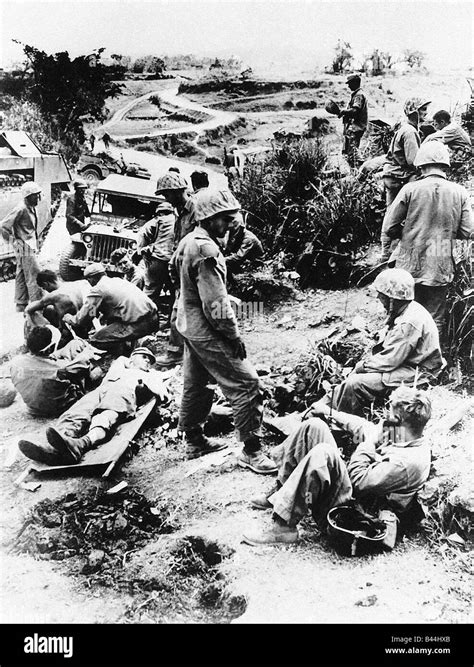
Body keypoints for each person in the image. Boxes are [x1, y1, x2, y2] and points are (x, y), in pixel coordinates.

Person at [170, 187, 277, 473]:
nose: (231, 224)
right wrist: (233, 336)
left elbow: (175, 273)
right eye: (225, 218)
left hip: (187, 322)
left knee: (196, 381)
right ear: (208, 218)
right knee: (247, 382)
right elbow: (215, 305)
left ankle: (194, 439)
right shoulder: (207, 250)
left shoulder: (188, 241)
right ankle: (252, 450)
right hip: (207, 327)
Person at [242, 386, 432, 545]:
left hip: (355, 514)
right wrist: (331, 413)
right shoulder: (404, 433)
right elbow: (363, 428)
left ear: (398, 420)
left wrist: (368, 444)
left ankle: (283, 527)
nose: (386, 417)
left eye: (390, 413)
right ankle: (281, 494)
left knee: (324, 453)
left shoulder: (408, 463)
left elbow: (357, 482)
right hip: (353, 494)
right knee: (314, 426)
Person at [381, 142, 474, 336]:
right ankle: (431, 361)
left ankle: (404, 357)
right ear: (445, 166)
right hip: (439, 264)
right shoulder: (460, 192)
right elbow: (467, 232)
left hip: (409, 264)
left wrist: (409, 234)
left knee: (405, 314)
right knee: (435, 318)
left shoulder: (410, 189)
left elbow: (389, 227)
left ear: (421, 166)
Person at [18, 347, 168, 466]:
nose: (148, 361)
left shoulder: (151, 374)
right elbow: (121, 360)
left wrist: (150, 385)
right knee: (75, 413)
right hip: (102, 390)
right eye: (144, 356)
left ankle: (81, 445)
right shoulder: (120, 364)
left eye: (150, 360)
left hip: (123, 391)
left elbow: (162, 393)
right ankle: (57, 447)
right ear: (132, 357)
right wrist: (129, 362)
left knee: (104, 416)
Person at [328, 268, 443, 416]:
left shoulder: (408, 322)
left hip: (419, 372)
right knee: (344, 385)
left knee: (354, 383)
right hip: (407, 364)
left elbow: (390, 360)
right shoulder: (406, 310)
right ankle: (316, 409)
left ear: (392, 299)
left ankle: (339, 421)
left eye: (382, 296)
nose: (379, 300)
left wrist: (362, 366)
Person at [153, 171, 197, 368]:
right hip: (182, 270)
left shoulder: (196, 209)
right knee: (183, 311)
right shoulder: (179, 213)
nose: (166, 199)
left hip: (194, 270)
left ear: (178, 191)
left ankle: (175, 353)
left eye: (167, 195)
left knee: (178, 312)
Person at [63, 263, 159, 351]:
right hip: (153, 318)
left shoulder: (98, 289)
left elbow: (85, 317)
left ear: (90, 279)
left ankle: (137, 342)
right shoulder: (117, 281)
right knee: (111, 324)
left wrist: (71, 319)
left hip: (139, 324)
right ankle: (132, 341)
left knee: (97, 339)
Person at [10, 325, 102, 417]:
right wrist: (86, 355)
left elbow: (42, 363)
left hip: (33, 408)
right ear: (49, 349)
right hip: (59, 407)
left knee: (74, 344)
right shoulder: (59, 367)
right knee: (96, 371)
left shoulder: (15, 362)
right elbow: (79, 367)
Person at [0, 181, 43, 311]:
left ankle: (21, 303)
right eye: (36, 195)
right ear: (28, 196)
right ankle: (37, 305)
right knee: (34, 275)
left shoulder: (30, 206)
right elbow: (3, 226)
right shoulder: (21, 208)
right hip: (25, 246)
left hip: (27, 245)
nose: (38, 198)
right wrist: (14, 242)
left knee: (21, 274)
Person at [382, 97, 431, 206]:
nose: (426, 112)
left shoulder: (405, 128)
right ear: (414, 112)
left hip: (392, 174)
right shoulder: (410, 132)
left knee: (391, 213)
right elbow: (413, 161)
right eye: (423, 109)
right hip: (399, 177)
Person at [136, 199, 176, 308]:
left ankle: (144, 318)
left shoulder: (158, 220)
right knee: (175, 293)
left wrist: (143, 252)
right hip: (174, 262)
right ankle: (170, 322)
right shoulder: (178, 220)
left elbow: (142, 234)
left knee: (150, 292)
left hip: (157, 261)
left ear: (159, 213)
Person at [25, 269, 90, 332]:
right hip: (83, 325)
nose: (46, 290)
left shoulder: (53, 295)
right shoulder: (73, 286)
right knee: (51, 308)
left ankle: (61, 333)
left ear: (46, 284)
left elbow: (30, 309)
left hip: (71, 329)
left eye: (44, 288)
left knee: (47, 309)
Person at [339, 74, 368, 168]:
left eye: (350, 84)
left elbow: (355, 111)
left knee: (353, 154)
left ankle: (359, 171)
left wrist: (343, 112)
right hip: (355, 127)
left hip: (356, 128)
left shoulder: (358, 95)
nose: (348, 86)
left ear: (355, 83)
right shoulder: (358, 94)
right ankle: (356, 171)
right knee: (351, 152)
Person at [224, 213, 264, 279]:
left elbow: (238, 257)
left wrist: (220, 260)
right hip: (243, 263)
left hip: (255, 266)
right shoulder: (235, 236)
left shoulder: (249, 239)